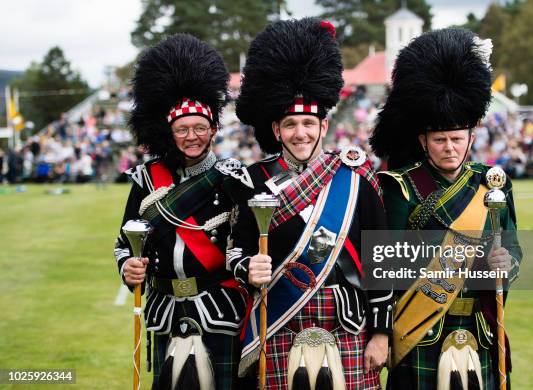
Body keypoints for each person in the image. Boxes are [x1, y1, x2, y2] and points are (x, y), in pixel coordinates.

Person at [224, 18, 393, 389]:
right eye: (290, 124)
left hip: (346, 323)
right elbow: (235, 251)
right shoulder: (251, 181)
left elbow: (380, 260)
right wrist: (247, 269)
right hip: (279, 321)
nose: (299, 133)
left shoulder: (355, 176)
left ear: (323, 125)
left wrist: (381, 334)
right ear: (275, 130)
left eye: (307, 122)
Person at [370, 28, 522, 389]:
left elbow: (513, 248)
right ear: (423, 140)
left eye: (457, 138)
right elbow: (384, 269)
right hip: (419, 331)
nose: (450, 148)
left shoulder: (494, 183)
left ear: (472, 137)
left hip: (480, 330)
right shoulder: (400, 186)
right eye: (440, 139)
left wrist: (506, 264)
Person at [114, 34, 248, 389]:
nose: (192, 136)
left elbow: (247, 243)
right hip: (164, 309)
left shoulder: (232, 178)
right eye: (183, 129)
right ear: (170, 133)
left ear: (214, 129)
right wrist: (128, 266)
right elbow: (124, 242)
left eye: (200, 128)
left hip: (218, 308)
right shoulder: (147, 178)